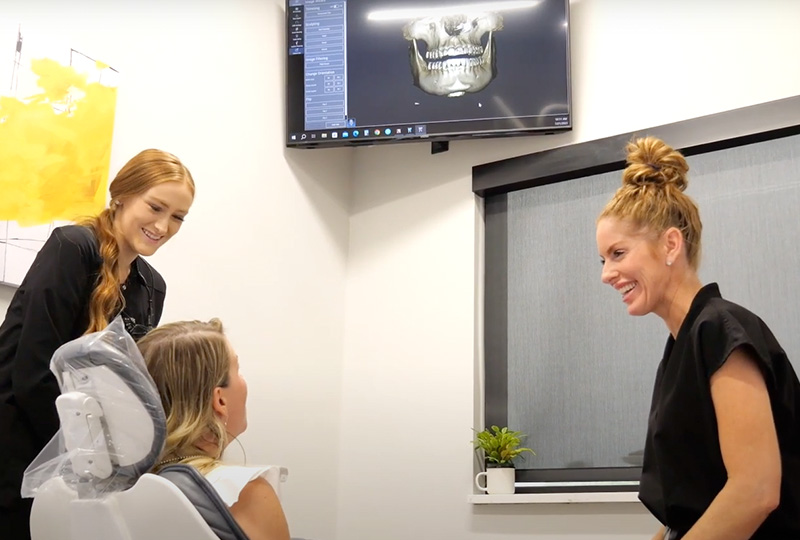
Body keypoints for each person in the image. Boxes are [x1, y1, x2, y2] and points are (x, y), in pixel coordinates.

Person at [595, 136, 800, 540]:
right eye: (603, 260)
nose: (606, 274)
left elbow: (755, 492)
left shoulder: (719, 331)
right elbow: (693, 508)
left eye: (618, 254)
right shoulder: (683, 344)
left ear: (671, 244)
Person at [0, 149, 195, 540]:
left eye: (177, 217)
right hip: (17, 441)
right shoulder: (72, 248)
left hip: (79, 455)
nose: (163, 225)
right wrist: (91, 454)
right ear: (122, 194)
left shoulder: (152, 287)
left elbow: (129, 392)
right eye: (156, 207)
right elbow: (32, 375)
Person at [138, 319, 291, 540]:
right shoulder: (245, 493)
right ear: (219, 400)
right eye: (238, 370)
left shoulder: (125, 488)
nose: (243, 381)